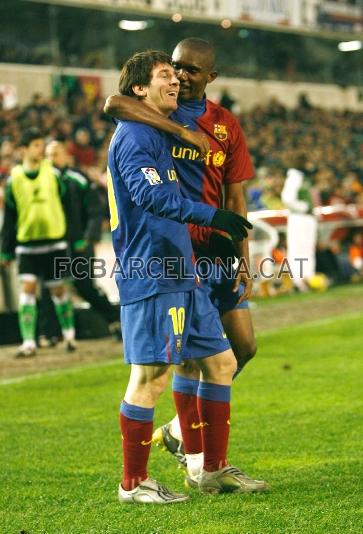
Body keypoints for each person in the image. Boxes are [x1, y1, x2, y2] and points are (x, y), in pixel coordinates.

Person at [108, 49, 265, 504]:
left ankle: (211, 471)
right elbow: (150, 196)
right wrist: (211, 217)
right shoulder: (136, 135)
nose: (175, 81)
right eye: (164, 76)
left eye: (178, 76)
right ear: (140, 89)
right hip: (154, 268)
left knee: (222, 362)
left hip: (183, 270)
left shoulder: (156, 130)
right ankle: (133, 484)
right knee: (151, 377)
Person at [0, 127, 76, 357]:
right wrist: (5, 251)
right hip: (27, 244)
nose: (40, 149)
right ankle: (29, 342)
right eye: (35, 145)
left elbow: (67, 205)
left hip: (55, 242)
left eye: (41, 144)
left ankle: (69, 335)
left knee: (59, 291)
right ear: (23, 150)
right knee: (28, 289)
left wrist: (75, 237)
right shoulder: (14, 180)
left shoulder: (53, 173)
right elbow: (11, 217)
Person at [38, 140, 120, 342]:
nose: (52, 159)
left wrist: (87, 238)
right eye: (48, 155)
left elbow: (95, 210)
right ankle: (48, 333)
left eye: (56, 154)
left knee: (83, 286)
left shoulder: (78, 179)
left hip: (78, 244)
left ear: (66, 155)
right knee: (49, 288)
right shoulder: (44, 181)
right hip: (53, 244)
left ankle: (115, 319)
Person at [281, 153, 318, 291]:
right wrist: (303, 206)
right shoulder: (295, 176)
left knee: (308, 248)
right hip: (298, 217)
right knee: (298, 249)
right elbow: (287, 198)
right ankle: (298, 280)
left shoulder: (303, 177)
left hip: (307, 217)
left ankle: (308, 278)